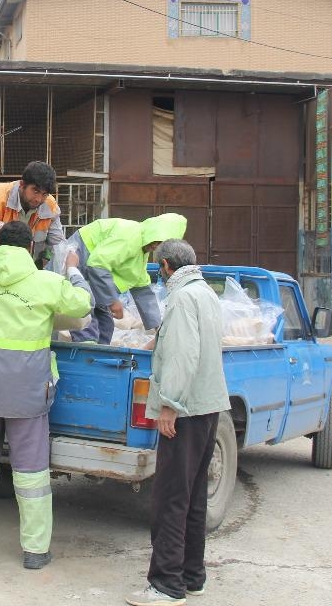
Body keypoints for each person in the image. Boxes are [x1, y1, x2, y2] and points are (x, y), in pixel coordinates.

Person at [0, 220, 92, 570]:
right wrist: (73, 271)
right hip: (27, 393)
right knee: (31, 474)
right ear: (31, 248)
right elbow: (83, 306)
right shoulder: (46, 283)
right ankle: (34, 551)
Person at [126, 239, 229, 606]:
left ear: (167, 266)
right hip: (206, 406)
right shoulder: (205, 292)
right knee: (193, 495)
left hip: (184, 409)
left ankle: (166, 585)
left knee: (170, 496)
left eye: (159, 268)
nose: (159, 274)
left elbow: (184, 355)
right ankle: (191, 576)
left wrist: (169, 404)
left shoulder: (183, 298)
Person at [67, 213, 187, 344]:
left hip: (94, 282)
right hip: (79, 262)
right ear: (152, 233)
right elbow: (97, 265)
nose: (155, 247)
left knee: (105, 327)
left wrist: (158, 326)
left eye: (161, 245)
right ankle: (87, 356)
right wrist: (113, 301)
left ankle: (96, 356)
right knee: (87, 322)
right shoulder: (130, 235)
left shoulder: (141, 251)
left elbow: (141, 287)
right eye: (157, 241)